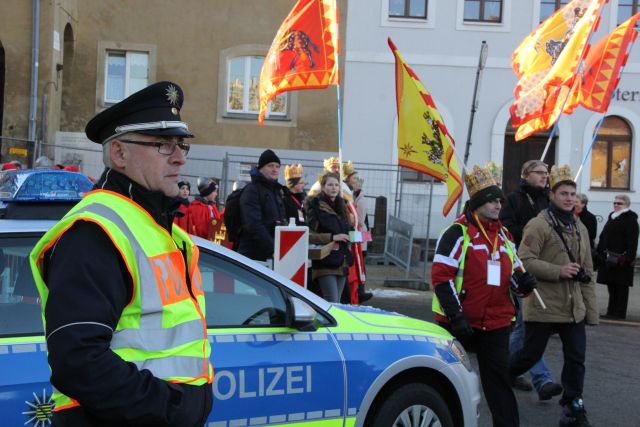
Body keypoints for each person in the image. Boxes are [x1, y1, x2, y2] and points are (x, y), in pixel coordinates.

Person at [29, 81, 213, 426]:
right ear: (119, 154)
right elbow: (78, 359)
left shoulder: (155, 223)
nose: (179, 157)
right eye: (162, 144)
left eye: (181, 144)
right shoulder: (96, 231)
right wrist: (168, 408)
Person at [432, 164, 536, 427]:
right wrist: (456, 317)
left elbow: (511, 277)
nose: (498, 205)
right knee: (449, 380)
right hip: (458, 323)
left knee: (499, 382)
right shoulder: (456, 233)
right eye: (491, 200)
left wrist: (522, 284)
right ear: (477, 203)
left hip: (496, 323)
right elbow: (441, 278)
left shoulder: (504, 235)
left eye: (499, 200)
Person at [509, 164, 599, 427]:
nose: (569, 198)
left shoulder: (580, 228)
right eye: (564, 193)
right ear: (552, 195)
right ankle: (501, 376)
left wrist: (591, 312)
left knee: (576, 359)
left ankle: (572, 406)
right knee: (528, 354)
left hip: (573, 307)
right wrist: (559, 271)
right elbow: (524, 260)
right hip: (543, 304)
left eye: (573, 193)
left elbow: (587, 270)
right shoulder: (538, 225)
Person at [500, 159, 561, 399]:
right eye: (539, 172)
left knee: (522, 328)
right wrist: (533, 231)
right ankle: (542, 378)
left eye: (546, 172)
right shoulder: (513, 200)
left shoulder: (548, 200)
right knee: (529, 324)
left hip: (546, 267)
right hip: (520, 267)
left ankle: (507, 370)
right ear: (526, 174)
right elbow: (506, 229)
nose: (545, 176)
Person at [305, 172, 354, 303]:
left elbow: (347, 230)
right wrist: (333, 237)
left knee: (337, 303)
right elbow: (309, 236)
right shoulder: (314, 206)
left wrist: (355, 235)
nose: (334, 188)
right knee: (331, 301)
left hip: (342, 260)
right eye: (330, 185)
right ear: (323, 187)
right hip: (325, 260)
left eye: (337, 185)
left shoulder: (343, 206)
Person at [236, 149, 286, 262]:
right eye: (270, 166)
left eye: (277, 166)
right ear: (261, 168)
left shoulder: (276, 191)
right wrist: (273, 249)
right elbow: (253, 225)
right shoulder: (252, 190)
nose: (275, 169)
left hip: (271, 255)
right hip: (253, 257)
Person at [596, 194, 638, 320]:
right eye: (615, 202)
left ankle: (619, 312)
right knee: (611, 285)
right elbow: (605, 236)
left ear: (626, 205)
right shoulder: (613, 217)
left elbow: (633, 241)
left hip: (622, 259)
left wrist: (629, 258)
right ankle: (611, 311)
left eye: (619, 203)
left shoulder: (630, 219)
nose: (616, 205)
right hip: (609, 258)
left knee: (621, 287)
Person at [343, 161, 372, 304]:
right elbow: (359, 219)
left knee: (360, 262)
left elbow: (361, 219)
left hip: (359, 234)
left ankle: (360, 291)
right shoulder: (351, 195)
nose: (357, 181)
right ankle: (358, 292)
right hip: (355, 234)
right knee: (357, 263)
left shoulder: (358, 196)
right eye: (354, 178)